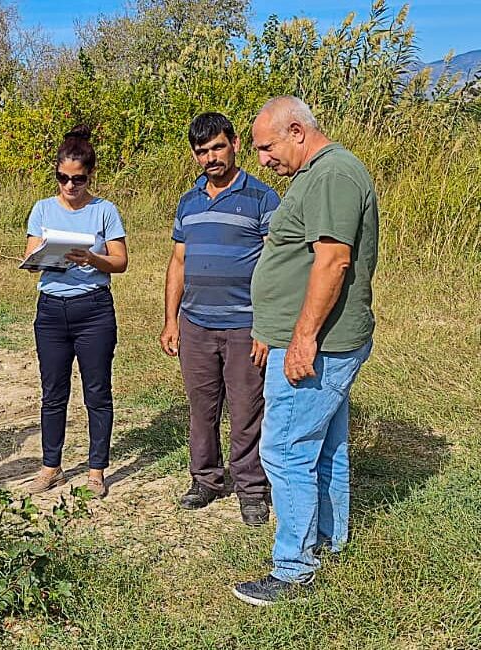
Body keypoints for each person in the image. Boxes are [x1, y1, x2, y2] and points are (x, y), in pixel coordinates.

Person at [232, 96, 379, 606]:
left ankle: (293, 569)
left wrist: (301, 339)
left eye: (267, 146)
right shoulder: (318, 174)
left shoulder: (333, 174)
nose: (262, 159)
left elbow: (334, 260)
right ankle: (328, 541)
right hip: (317, 339)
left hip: (322, 344)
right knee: (324, 444)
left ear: (297, 130)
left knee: (285, 449)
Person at [160, 112, 280, 526]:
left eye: (217, 147)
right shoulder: (189, 201)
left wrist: (266, 326)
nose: (210, 157)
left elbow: (277, 266)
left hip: (245, 324)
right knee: (202, 408)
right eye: (201, 151)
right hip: (195, 324)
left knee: (247, 409)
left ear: (234, 145)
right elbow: (178, 263)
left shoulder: (263, 198)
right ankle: (206, 480)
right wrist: (171, 321)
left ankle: (250, 488)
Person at [23, 125, 129, 498]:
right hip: (51, 310)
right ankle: (51, 465)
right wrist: (39, 260)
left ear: (90, 175)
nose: (70, 186)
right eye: (63, 178)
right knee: (53, 392)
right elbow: (31, 255)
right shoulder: (42, 209)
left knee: (97, 391)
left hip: (93, 310)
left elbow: (120, 262)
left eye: (78, 179)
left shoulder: (105, 211)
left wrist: (92, 258)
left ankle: (96, 469)